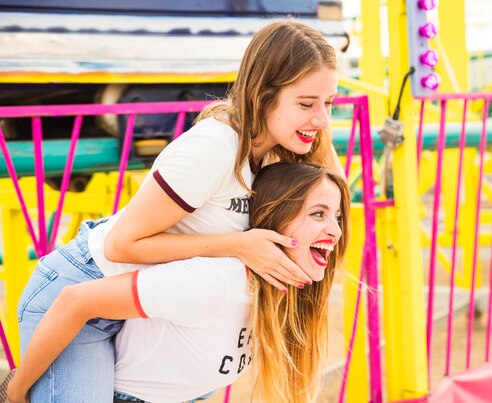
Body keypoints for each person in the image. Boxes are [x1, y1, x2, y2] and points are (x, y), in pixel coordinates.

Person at [11, 20, 344, 402]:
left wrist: (315, 129)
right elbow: (122, 245)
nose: (321, 118)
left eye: (329, 103)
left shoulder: (277, 149)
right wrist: (238, 244)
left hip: (139, 302)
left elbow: (336, 200)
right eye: (306, 103)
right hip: (83, 288)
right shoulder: (213, 147)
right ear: (263, 95)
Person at [8, 162, 350, 403]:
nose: (335, 230)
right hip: (80, 309)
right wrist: (15, 390)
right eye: (317, 214)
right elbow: (74, 300)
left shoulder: (277, 290)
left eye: (336, 217)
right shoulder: (218, 282)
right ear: (275, 217)